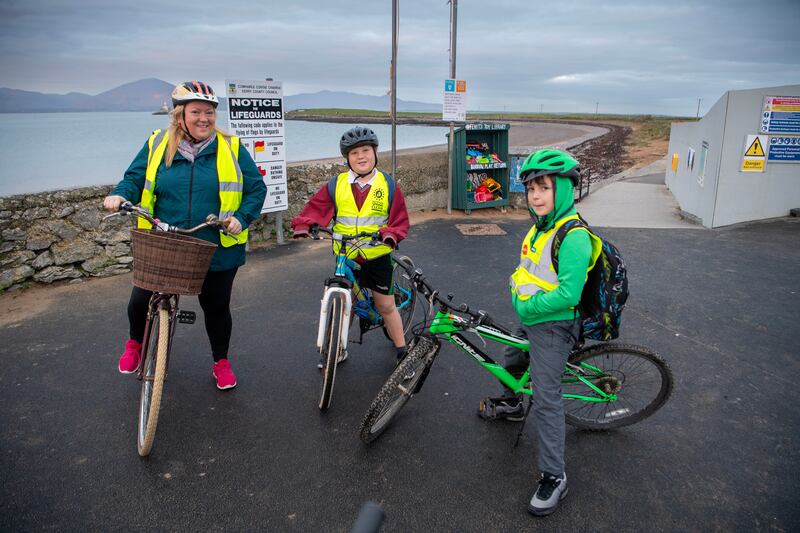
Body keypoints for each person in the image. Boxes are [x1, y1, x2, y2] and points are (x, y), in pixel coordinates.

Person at [103, 81, 267, 390]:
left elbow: (256, 188)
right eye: (196, 112)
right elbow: (134, 178)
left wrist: (241, 218)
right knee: (140, 297)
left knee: (216, 307)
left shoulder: (230, 147)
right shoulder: (157, 144)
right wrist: (118, 195)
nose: (204, 118)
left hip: (216, 242)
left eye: (209, 113)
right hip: (166, 238)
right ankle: (135, 345)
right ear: (180, 115)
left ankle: (221, 362)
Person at [478, 149, 602, 516]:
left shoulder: (574, 236)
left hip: (555, 325)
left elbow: (569, 294)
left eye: (544, 188)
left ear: (562, 190)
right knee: (512, 356)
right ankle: (514, 403)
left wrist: (526, 306)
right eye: (531, 188)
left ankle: (555, 476)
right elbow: (527, 270)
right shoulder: (539, 227)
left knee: (547, 400)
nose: (535, 195)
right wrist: (516, 288)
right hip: (531, 316)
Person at [291, 126, 410, 365]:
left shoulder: (388, 185)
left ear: (375, 153)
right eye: (354, 153)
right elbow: (316, 208)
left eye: (366, 150)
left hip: (376, 255)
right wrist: (305, 225)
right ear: (347, 158)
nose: (361, 157)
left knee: (385, 305)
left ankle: (402, 350)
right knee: (345, 302)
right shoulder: (337, 184)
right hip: (345, 254)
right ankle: (337, 348)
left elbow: (399, 220)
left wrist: (390, 234)